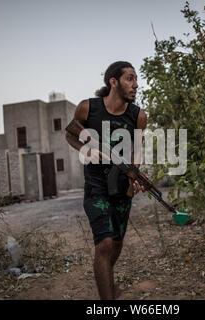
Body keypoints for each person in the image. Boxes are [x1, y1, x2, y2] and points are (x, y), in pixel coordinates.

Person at [65, 61, 147, 300]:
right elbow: (70, 133)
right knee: (105, 244)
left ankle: (107, 285)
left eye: (136, 79)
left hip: (121, 185)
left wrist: (136, 177)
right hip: (96, 186)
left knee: (117, 244)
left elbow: (137, 153)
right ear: (113, 81)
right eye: (130, 79)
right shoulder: (87, 108)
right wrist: (85, 150)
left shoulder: (138, 116)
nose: (135, 85)